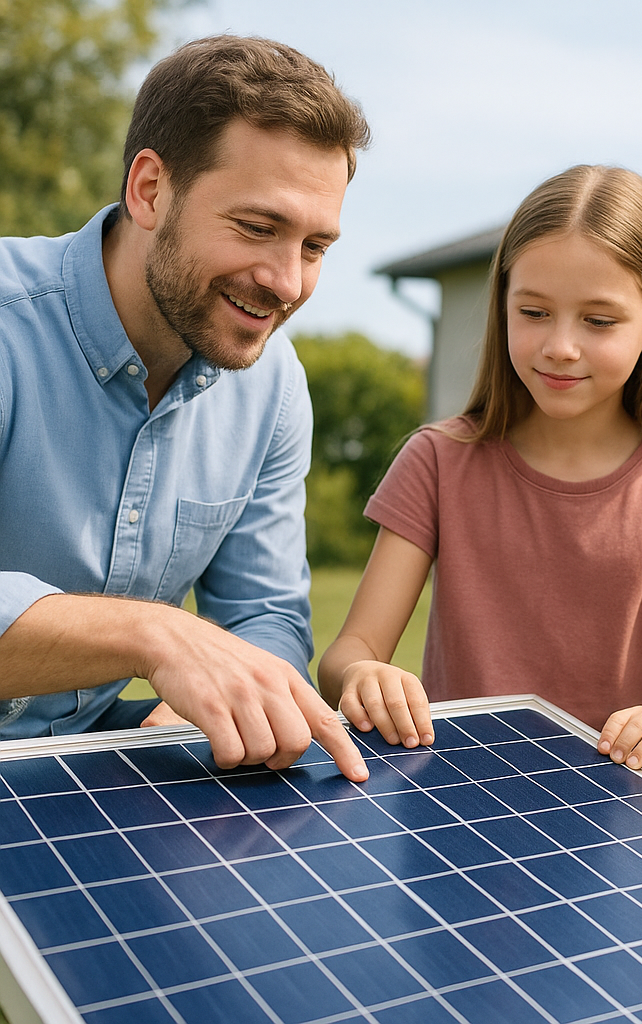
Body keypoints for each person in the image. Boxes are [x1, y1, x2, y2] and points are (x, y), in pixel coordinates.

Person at [0, 35, 371, 781]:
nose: (288, 282)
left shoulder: (272, 388)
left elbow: (265, 617)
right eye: (258, 228)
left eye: (315, 246)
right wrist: (153, 636)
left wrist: (211, 697)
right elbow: (171, 639)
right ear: (149, 190)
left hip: (72, 767)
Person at [318, 164, 642, 782]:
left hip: (622, 820)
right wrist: (362, 675)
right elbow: (350, 651)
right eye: (534, 312)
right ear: (503, 305)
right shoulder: (437, 460)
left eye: (599, 321)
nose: (560, 346)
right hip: (456, 801)